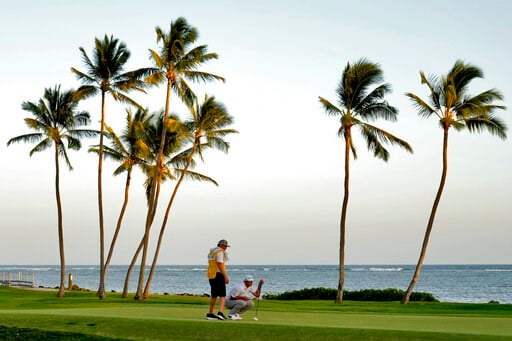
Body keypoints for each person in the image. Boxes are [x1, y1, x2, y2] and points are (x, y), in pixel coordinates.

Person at [206, 239, 230, 320]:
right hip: (218, 275)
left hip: (211, 275)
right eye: (225, 246)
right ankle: (220, 312)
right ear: (221, 245)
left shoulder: (212, 252)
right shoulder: (219, 252)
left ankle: (210, 313)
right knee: (222, 295)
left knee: (214, 295)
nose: (226, 248)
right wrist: (225, 276)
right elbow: (220, 264)